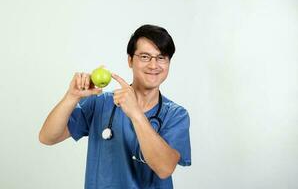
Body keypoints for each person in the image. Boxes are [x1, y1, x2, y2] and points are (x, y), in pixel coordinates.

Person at [39, 24, 191, 189]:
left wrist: (136, 114)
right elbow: (48, 137)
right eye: (145, 57)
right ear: (130, 60)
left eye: (161, 57)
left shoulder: (176, 115)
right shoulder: (101, 103)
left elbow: (164, 169)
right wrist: (71, 97)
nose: (154, 65)